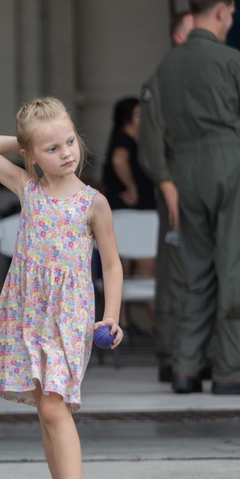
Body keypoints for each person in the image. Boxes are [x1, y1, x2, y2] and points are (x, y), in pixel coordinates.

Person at [0, 97, 124, 479]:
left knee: (55, 407)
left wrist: (110, 317)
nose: (66, 153)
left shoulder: (93, 203)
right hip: (27, 314)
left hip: (69, 316)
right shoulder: (26, 187)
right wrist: (23, 143)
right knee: (45, 410)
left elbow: (111, 265)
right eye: (52, 148)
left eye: (70, 141)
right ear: (30, 155)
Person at [137, 0, 240, 395]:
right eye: (232, 13)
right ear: (221, 11)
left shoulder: (164, 68)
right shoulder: (232, 60)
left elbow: (152, 132)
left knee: (196, 272)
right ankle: (233, 368)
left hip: (185, 173)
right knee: (236, 267)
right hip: (228, 164)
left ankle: (186, 368)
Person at [138, 10, 200, 383]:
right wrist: (166, 183)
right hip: (175, 191)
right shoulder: (160, 81)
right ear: (179, 37)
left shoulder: (209, 80)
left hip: (204, 192)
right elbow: (151, 143)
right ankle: (172, 355)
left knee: (209, 275)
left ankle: (202, 355)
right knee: (176, 274)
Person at [101, 96, 155, 329]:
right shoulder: (125, 140)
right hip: (132, 213)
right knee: (144, 267)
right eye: (138, 115)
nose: (143, 119)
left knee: (124, 266)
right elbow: (119, 160)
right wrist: (132, 186)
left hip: (127, 214)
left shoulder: (128, 139)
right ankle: (160, 327)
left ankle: (121, 324)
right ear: (127, 118)